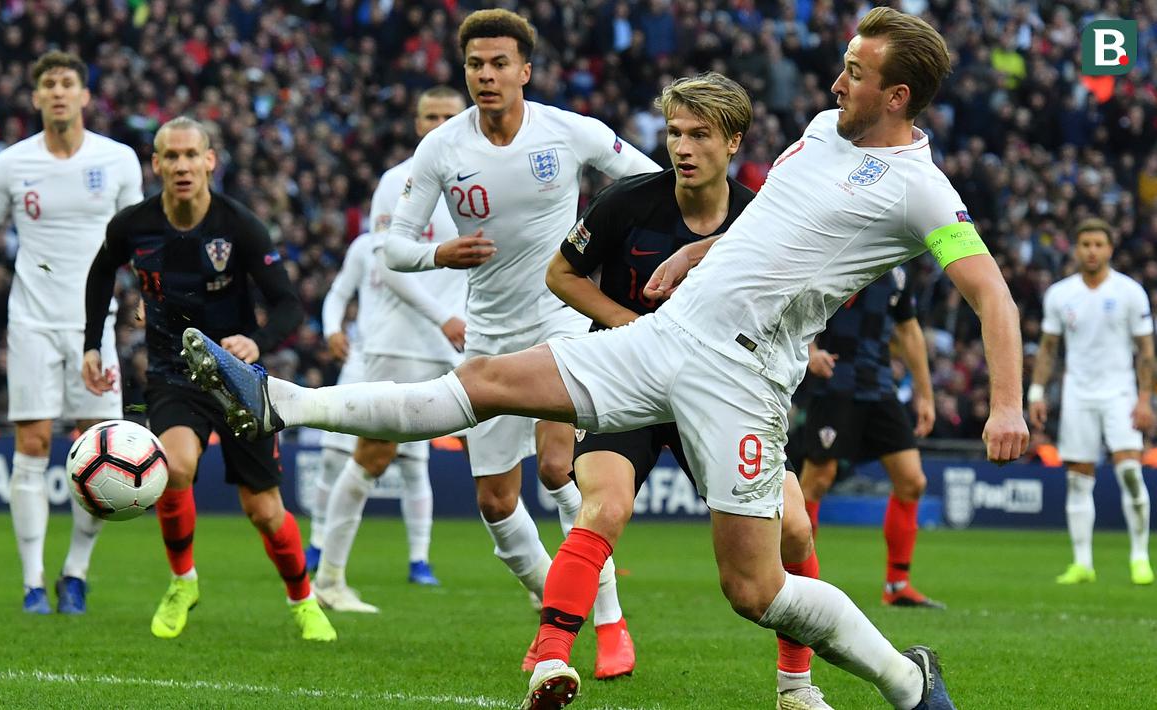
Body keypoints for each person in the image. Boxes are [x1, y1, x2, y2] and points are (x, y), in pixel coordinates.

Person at [186, 8, 1028, 709]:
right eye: (842, 65)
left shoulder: (921, 190)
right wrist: (698, 257)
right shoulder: (818, 131)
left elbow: (992, 295)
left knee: (753, 591)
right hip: (664, 336)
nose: (835, 81)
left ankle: (904, 680)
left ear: (897, 94)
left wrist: (1004, 405)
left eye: (854, 71)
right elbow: (773, 225)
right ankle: (278, 402)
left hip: (741, 382)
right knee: (483, 382)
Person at [379, 9, 660, 677]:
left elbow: (653, 184)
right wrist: (436, 254)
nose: (485, 74)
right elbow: (391, 245)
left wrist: (613, 245)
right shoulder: (442, 149)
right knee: (496, 502)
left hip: (560, 318)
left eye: (499, 63)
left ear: (524, 71)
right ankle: (556, 608)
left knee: (560, 466)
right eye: (475, 64)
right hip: (488, 333)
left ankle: (609, 617)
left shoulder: (568, 132)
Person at [543, 73, 828, 709]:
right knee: (605, 507)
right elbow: (561, 273)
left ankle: (796, 686)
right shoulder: (627, 203)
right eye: (674, 133)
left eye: (700, 134)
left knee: (795, 529)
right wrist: (629, 326)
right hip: (632, 382)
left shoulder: (763, 215)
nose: (683, 146)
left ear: (733, 143)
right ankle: (551, 659)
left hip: (721, 394)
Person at [81, 116, 335, 642]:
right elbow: (101, 271)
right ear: (156, 164)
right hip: (173, 373)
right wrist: (91, 340)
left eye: (190, 155)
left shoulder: (239, 226)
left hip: (239, 380)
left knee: (264, 511)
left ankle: (303, 598)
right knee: (173, 468)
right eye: (170, 156)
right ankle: (182, 581)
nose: (180, 165)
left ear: (209, 161)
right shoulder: (133, 225)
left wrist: (257, 343)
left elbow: (288, 304)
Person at [0, 51, 143, 615]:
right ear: (35, 97)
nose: (58, 93)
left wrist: (153, 293)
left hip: (95, 324)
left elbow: (138, 237)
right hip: (31, 319)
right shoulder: (12, 164)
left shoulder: (119, 159)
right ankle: (33, 583)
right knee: (31, 446)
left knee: (98, 450)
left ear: (85, 95)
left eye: (68, 83)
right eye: (48, 85)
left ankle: (75, 573)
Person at [310, 85, 469, 610]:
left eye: (449, 114)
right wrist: (445, 317)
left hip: (464, 343)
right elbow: (388, 266)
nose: (440, 123)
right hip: (403, 344)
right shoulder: (397, 181)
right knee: (372, 457)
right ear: (418, 121)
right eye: (431, 115)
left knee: (505, 459)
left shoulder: (483, 179)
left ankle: (548, 584)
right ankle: (329, 578)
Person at [311, 230, 449, 612]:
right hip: (364, 359)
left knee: (414, 467)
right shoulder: (365, 246)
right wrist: (332, 328)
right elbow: (339, 292)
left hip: (419, 361)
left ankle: (419, 559)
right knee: (334, 457)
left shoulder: (435, 242)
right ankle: (319, 544)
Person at [798, 265, 945, 609]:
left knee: (912, 481)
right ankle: (798, 585)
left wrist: (925, 394)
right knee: (817, 480)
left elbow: (908, 331)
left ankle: (897, 585)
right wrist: (809, 353)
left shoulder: (897, 270)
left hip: (880, 388)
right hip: (835, 383)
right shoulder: (835, 255)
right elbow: (794, 307)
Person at [1029, 217, 1154, 586]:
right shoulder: (1060, 294)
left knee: (1130, 471)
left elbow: (1146, 351)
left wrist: (1145, 399)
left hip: (1120, 392)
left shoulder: (1131, 292)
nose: (1092, 251)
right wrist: (1036, 393)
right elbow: (1049, 349)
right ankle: (1082, 563)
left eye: (1099, 244)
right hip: (1078, 393)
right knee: (1078, 480)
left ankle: (1139, 557)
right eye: (1086, 245)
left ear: (1110, 249)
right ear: (1077, 248)